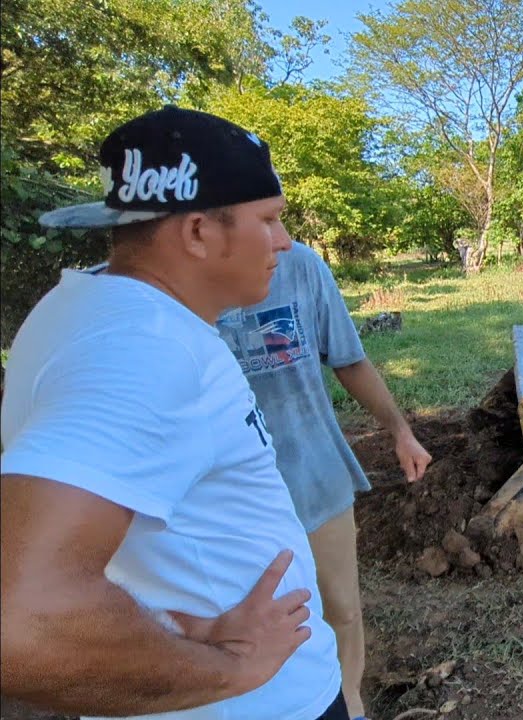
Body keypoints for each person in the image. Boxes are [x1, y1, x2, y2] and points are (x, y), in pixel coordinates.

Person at [0, 107, 346, 719]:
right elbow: (23, 622)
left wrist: (167, 633)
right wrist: (228, 670)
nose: (285, 242)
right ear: (196, 233)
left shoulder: (77, 308)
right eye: (268, 219)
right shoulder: (150, 352)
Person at [216, 240, 433, 720]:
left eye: (279, 214)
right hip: (232, 501)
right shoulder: (175, 286)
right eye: (265, 217)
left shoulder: (302, 268)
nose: (279, 236)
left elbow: (348, 359)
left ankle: (349, 703)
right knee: (254, 620)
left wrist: (401, 432)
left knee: (342, 609)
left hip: (314, 473)